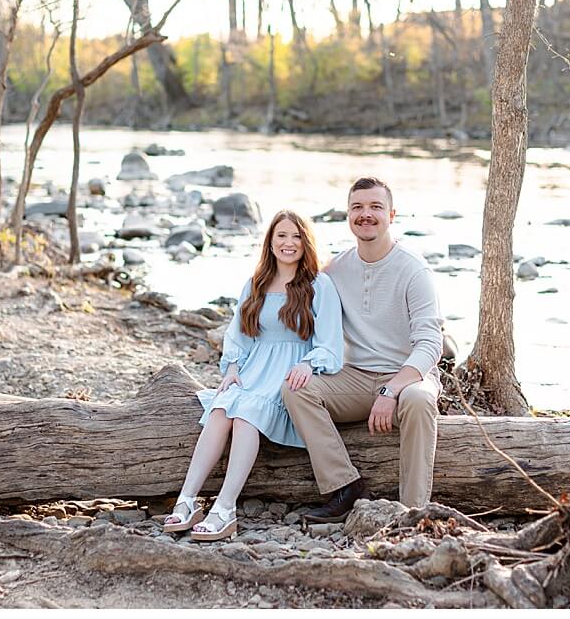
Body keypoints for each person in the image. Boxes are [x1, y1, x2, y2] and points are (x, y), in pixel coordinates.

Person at [163, 210, 344, 541]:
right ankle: (186, 500)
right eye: (281, 236)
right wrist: (232, 367)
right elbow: (239, 336)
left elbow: (331, 344)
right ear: (270, 242)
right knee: (220, 409)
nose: (289, 243)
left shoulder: (319, 284)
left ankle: (225, 508)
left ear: (306, 242)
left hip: (289, 375)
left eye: (296, 237)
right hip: (253, 369)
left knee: (246, 414)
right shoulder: (255, 283)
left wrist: (309, 364)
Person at [282, 177, 443, 519]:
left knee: (418, 399)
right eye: (357, 207)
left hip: (407, 376)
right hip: (354, 376)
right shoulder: (336, 270)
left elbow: (431, 343)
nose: (365, 214)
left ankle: (412, 512)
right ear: (348, 214)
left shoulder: (414, 269)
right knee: (297, 390)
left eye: (375, 207)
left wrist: (392, 389)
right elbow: (298, 304)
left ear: (391, 215)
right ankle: (344, 487)